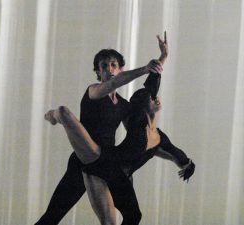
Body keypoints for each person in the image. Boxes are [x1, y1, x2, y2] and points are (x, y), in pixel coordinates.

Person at [35, 34, 168, 225]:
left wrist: (163, 57)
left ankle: (57, 115)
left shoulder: (123, 105)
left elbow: (139, 134)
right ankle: (55, 115)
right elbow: (114, 83)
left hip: (104, 163)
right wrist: (145, 68)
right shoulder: (94, 91)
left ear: (120, 68)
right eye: (104, 66)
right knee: (52, 217)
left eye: (113, 65)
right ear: (98, 72)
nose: (109, 69)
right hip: (82, 159)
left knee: (112, 221)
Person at [43, 70, 195, 225]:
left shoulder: (160, 138)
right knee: (55, 216)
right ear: (143, 106)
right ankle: (57, 115)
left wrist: (188, 164)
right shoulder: (137, 125)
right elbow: (151, 87)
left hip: (119, 176)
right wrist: (160, 62)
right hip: (99, 166)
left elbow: (175, 153)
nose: (156, 99)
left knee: (133, 217)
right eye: (151, 98)